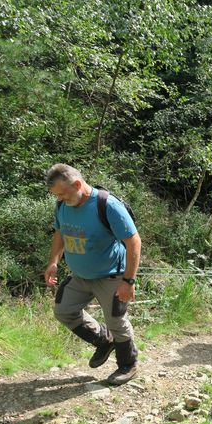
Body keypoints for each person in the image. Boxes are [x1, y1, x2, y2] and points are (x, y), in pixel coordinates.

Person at [44, 164, 141, 385]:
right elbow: (60, 232)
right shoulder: (62, 205)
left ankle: (128, 364)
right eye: (56, 195)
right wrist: (53, 261)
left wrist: (129, 281)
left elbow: (133, 242)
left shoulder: (107, 205)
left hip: (111, 276)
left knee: (116, 321)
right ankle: (103, 340)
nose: (59, 198)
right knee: (64, 311)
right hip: (80, 275)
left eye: (62, 193)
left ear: (78, 184)